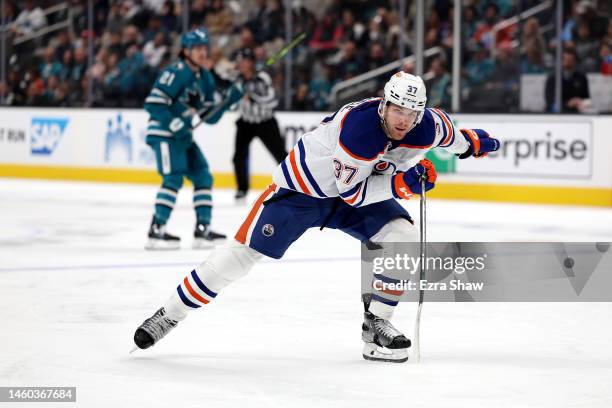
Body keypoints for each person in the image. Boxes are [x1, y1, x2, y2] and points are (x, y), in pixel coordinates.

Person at [133, 72, 500, 362]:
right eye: (397, 110)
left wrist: (479, 143)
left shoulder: (427, 125)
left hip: (358, 191)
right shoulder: (360, 130)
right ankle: (169, 314)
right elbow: (352, 194)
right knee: (240, 256)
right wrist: (403, 185)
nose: (404, 121)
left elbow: (456, 139)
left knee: (402, 239)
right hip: (301, 193)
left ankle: (377, 326)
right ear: (384, 105)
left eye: (411, 113)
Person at [144, 28, 244, 250]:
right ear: (186, 50)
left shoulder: (205, 78)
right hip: (164, 134)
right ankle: (156, 230)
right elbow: (153, 103)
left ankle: (202, 230)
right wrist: (174, 123)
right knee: (173, 178)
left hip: (183, 136)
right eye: (197, 48)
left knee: (202, 175)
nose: (202, 52)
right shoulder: (176, 72)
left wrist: (228, 101)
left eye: (204, 47)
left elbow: (208, 118)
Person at [232, 48, 287, 201]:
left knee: (280, 155)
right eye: (239, 61)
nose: (240, 64)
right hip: (246, 123)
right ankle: (242, 189)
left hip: (265, 122)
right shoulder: (238, 79)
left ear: (251, 62)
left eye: (243, 61)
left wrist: (253, 97)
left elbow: (273, 101)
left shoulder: (262, 78)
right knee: (238, 156)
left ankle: (294, 184)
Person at [545, 48, 590, 113]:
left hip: (577, 114)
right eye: (566, 60)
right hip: (557, 115)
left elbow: (587, 98)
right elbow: (550, 101)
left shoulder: (581, 77)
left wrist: (581, 102)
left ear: (575, 61)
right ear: (561, 61)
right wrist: (568, 103)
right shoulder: (553, 78)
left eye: (571, 60)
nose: (568, 63)